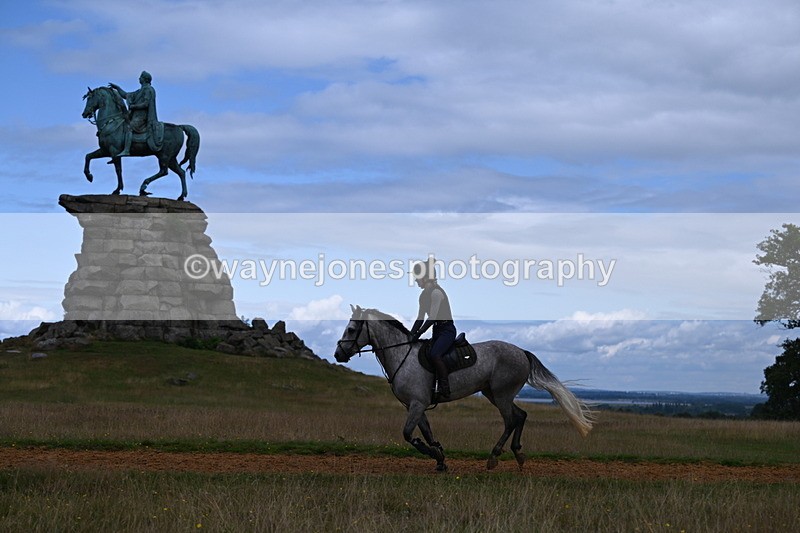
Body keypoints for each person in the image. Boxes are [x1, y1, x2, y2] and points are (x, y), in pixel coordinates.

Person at [409, 257, 456, 400]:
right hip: (437, 331)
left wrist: (419, 333)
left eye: (418, 278)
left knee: (435, 354)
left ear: (426, 277)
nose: (416, 281)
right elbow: (420, 318)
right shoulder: (423, 296)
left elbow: (432, 317)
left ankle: (444, 387)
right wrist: (410, 335)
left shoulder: (437, 293)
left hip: (447, 330)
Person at [108, 71, 163, 156]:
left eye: (140, 77)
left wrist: (134, 106)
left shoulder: (148, 89)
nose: (139, 78)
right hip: (135, 116)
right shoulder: (139, 91)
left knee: (129, 127)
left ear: (144, 79)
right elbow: (126, 95)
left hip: (142, 117)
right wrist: (117, 88)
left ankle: (126, 150)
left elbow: (146, 104)